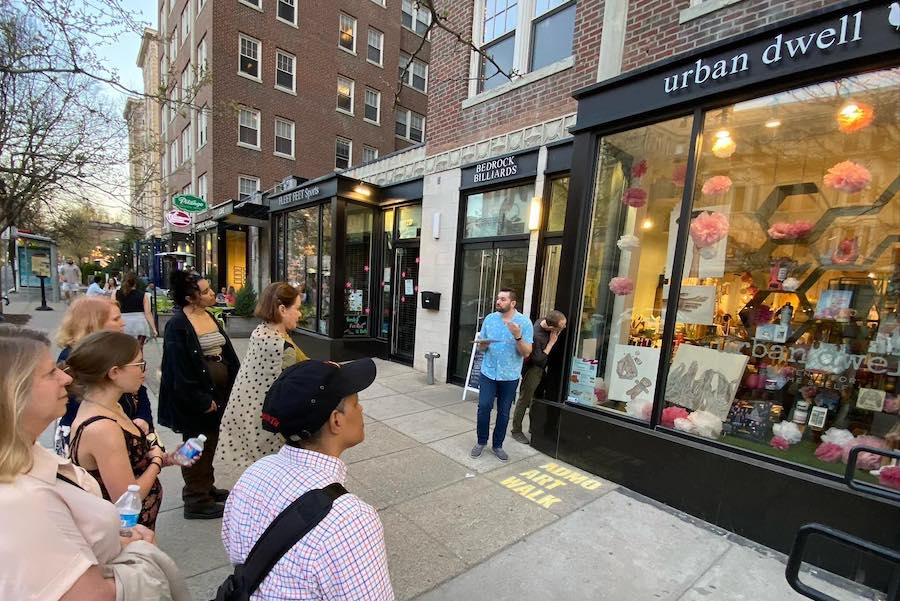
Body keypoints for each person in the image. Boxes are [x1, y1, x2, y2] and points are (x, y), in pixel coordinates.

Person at [0, 325, 189, 601]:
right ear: (14, 392)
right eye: (50, 372)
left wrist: (120, 538)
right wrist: (142, 558)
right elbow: (92, 594)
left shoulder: (29, 460)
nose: (65, 378)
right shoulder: (22, 500)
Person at [222, 359, 394, 600]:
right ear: (337, 420)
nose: (362, 410)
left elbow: (235, 553)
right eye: (356, 403)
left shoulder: (255, 474)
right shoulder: (350, 521)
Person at [65, 331, 186, 530]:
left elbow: (129, 464)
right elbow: (127, 497)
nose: (143, 371)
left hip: (141, 528)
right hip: (127, 535)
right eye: (139, 364)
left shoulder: (112, 407)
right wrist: (156, 461)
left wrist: (168, 458)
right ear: (114, 372)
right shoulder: (102, 428)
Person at [158, 270, 239, 519]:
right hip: (197, 400)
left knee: (209, 442)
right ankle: (195, 498)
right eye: (204, 291)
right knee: (195, 445)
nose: (212, 293)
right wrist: (201, 400)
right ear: (190, 298)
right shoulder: (178, 325)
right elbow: (179, 369)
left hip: (217, 393)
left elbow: (223, 351)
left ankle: (205, 486)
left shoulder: (208, 314)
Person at [219, 282, 308, 468]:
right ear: (282, 309)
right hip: (269, 429)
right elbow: (295, 392)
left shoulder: (261, 331)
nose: (300, 314)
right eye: (297, 308)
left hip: (247, 419)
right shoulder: (282, 348)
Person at [55, 297, 154, 457]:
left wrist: (143, 417)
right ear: (93, 324)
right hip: (102, 444)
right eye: (116, 319)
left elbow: (139, 390)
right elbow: (75, 405)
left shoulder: (117, 350)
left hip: (125, 434)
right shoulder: (74, 360)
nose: (123, 323)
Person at [471, 288, 533, 462]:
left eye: (503, 299)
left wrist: (518, 336)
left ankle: (498, 445)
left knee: (504, 412)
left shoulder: (524, 323)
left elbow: (527, 353)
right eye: (498, 298)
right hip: (488, 372)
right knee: (483, 407)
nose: (498, 301)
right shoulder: (490, 319)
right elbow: (481, 346)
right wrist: (482, 345)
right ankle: (481, 441)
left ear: (512, 303)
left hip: (510, 376)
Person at [510, 310, 567, 444]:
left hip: (543, 368)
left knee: (537, 398)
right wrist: (551, 344)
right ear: (552, 328)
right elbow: (539, 360)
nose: (564, 328)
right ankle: (516, 430)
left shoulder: (543, 321)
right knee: (525, 398)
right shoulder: (536, 335)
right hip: (533, 369)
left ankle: (533, 427)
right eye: (561, 327)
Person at [117, 272, 158, 346]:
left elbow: (112, 310)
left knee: (123, 350)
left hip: (122, 324)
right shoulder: (143, 295)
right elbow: (148, 313)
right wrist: (154, 329)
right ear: (136, 282)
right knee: (139, 349)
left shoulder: (116, 294)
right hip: (140, 324)